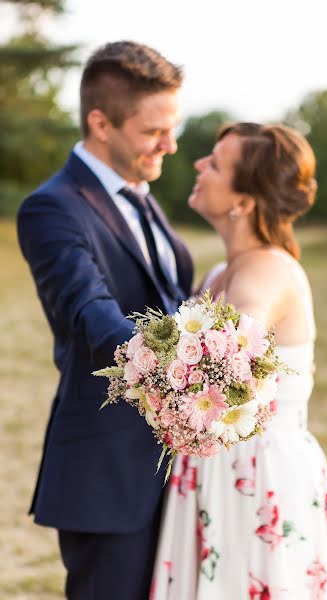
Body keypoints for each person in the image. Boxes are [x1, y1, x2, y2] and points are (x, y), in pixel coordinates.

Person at [17, 41, 193, 600]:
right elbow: (92, 313)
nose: (169, 144)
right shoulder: (53, 207)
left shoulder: (142, 197)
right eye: (152, 131)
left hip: (175, 464)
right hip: (109, 468)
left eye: (173, 127)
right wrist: (191, 374)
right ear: (100, 122)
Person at [151, 123, 327, 599]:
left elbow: (232, 349)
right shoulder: (222, 270)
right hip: (215, 467)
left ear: (245, 200)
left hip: (256, 476)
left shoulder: (265, 271)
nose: (199, 165)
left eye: (215, 163)